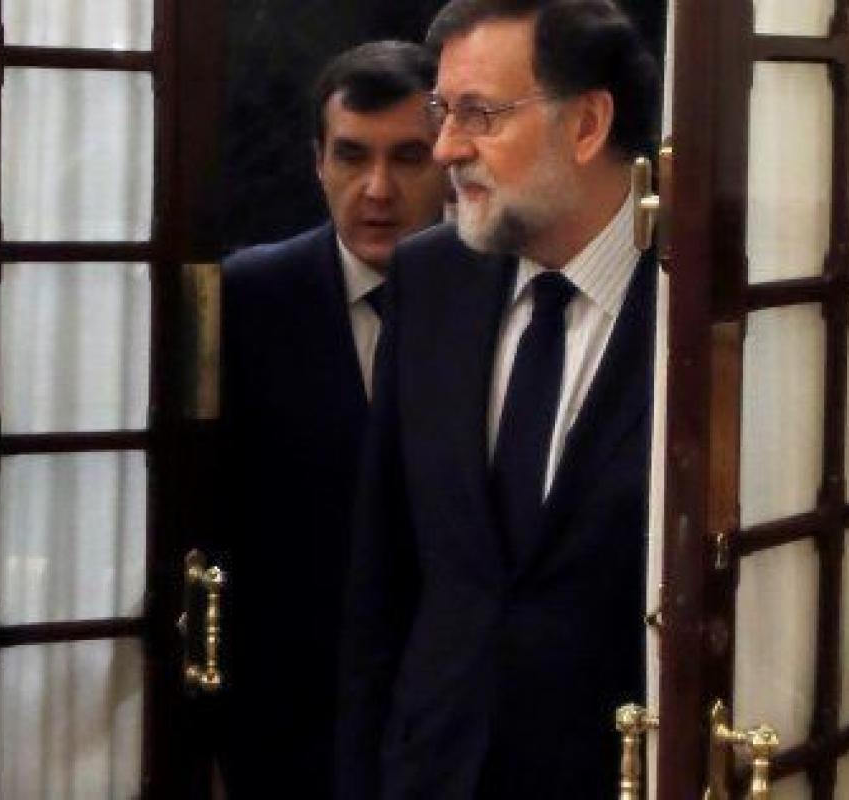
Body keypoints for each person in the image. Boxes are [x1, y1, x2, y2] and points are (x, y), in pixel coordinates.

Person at [337, 1, 661, 797]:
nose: (447, 147)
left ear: (587, 124)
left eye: (479, 114)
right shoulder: (430, 279)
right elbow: (382, 575)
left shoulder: (701, 305)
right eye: (445, 112)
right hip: (431, 770)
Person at [216, 40, 448, 799]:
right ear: (318, 162)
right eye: (351, 156)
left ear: (450, 161)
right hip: (285, 710)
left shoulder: (505, 300)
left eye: (408, 157)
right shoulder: (249, 297)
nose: (377, 189)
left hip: (445, 717)